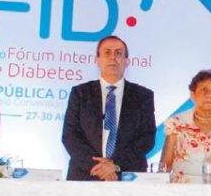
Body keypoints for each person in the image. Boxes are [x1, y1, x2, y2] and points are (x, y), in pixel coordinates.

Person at [62, 35, 156, 181]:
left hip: (127, 176)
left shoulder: (143, 96)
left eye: (118, 53)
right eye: (107, 52)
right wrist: (99, 167)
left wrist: (115, 165)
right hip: (85, 174)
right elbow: (70, 135)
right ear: (97, 60)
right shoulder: (80, 93)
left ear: (127, 61)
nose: (113, 57)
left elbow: (146, 138)